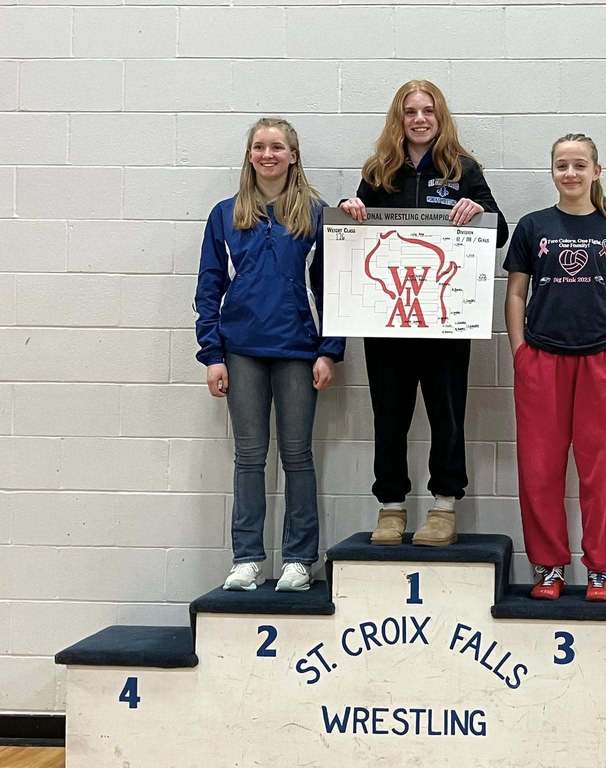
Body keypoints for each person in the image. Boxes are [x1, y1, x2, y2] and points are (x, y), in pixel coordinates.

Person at [341, 80, 508, 547]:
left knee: (447, 413)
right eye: (410, 111)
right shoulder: (379, 171)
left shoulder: (463, 168)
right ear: (399, 117)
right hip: (388, 321)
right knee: (388, 415)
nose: (419, 119)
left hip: (444, 319)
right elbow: (353, 230)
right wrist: (350, 207)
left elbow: (498, 233)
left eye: (428, 111)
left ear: (440, 117)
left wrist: (478, 209)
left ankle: (443, 506)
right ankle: (390, 507)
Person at [194, 117, 344, 592]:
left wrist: (330, 351)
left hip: (299, 351)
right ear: (250, 155)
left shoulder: (316, 215)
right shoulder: (225, 214)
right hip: (241, 353)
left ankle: (301, 558)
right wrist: (212, 354)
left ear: (293, 155)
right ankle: (248, 558)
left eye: (277, 146)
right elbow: (209, 287)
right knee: (249, 457)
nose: (268, 154)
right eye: (259, 146)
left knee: (297, 456)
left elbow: (333, 288)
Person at [503, 133, 606, 602]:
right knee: (539, 469)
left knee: (601, 470)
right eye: (562, 165)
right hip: (542, 360)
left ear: (596, 172)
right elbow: (516, 293)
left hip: (601, 361)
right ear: (553, 172)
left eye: (579, 165)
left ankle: (601, 569)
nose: (571, 173)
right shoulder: (532, 226)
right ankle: (548, 566)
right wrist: (520, 350)